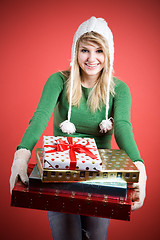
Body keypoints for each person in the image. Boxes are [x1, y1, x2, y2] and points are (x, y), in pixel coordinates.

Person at [10, 16, 147, 240]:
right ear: (76, 51)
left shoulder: (119, 89)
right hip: (60, 170)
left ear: (108, 54)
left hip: (102, 175)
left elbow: (122, 127)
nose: (92, 58)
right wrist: (21, 155)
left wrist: (140, 168)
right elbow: (40, 117)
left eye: (99, 51)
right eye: (85, 50)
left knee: (96, 237)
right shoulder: (57, 80)